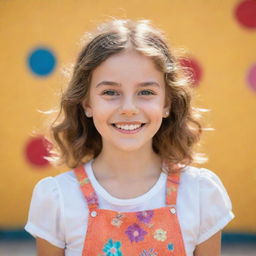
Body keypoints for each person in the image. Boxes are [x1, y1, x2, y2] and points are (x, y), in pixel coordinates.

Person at [24, 19, 235, 256]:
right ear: (87, 103)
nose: (128, 108)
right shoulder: (58, 199)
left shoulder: (200, 194)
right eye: (110, 92)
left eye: (146, 92)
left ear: (166, 103)